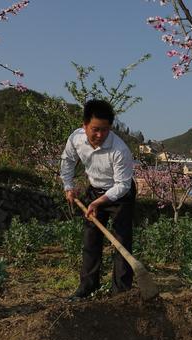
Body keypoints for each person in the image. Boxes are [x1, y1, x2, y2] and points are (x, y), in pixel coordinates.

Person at [60, 99, 135, 300]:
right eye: (95, 129)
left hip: (120, 194)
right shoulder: (76, 138)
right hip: (94, 189)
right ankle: (88, 287)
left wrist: (98, 202)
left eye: (105, 130)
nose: (100, 135)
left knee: (121, 241)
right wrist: (68, 186)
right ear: (84, 125)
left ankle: (121, 292)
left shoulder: (120, 150)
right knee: (91, 239)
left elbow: (123, 185)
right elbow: (67, 161)